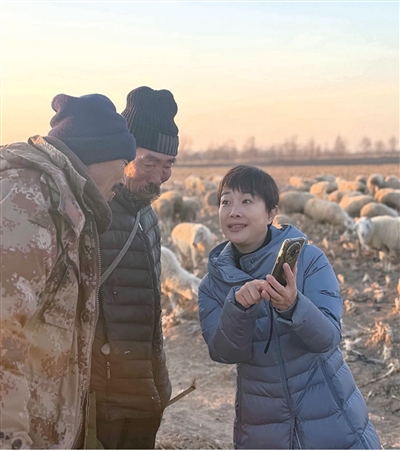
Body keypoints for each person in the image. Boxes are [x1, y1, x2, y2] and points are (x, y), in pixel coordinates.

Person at [197, 165, 382, 450]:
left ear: (272, 213)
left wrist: (293, 306)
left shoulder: (309, 260)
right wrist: (238, 308)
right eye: (226, 202)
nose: (234, 212)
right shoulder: (213, 285)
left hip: (330, 415)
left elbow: (328, 338)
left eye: (246, 201)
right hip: (262, 423)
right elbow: (224, 353)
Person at [0, 93, 136, 450]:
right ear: (98, 153)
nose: (125, 179)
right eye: (125, 162)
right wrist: (11, 439)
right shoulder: (29, 201)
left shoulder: (64, 206)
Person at [91, 86, 179, 449]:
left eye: (168, 165)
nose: (158, 177)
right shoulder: (92, 218)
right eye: (149, 162)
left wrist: (159, 384)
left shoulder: (149, 219)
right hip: (102, 403)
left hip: (146, 395)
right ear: (123, 155)